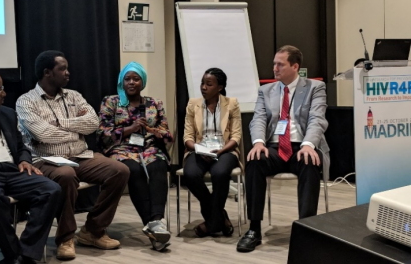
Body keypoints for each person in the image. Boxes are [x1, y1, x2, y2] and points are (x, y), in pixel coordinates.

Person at [16, 50, 130, 260]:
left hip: (81, 155)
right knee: (66, 175)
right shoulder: (26, 101)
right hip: (45, 159)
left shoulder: (74, 95)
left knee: (119, 170)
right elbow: (42, 134)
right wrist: (75, 129)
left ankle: (93, 230)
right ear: (47, 72)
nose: (68, 73)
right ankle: (66, 238)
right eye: (63, 69)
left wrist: (59, 124)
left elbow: (93, 123)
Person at [0, 69, 61, 264]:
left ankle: (27, 253)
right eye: (0, 89)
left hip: (13, 170)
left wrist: (24, 160)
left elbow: (21, 145)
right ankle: (13, 255)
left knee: (51, 189)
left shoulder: (7, 113)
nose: (4, 93)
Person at [236, 45, 329, 252]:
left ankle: (307, 230)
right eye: (274, 64)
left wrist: (308, 145)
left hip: (302, 145)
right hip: (275, 146)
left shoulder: (315, 88)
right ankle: (254, 230)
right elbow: (258, 119)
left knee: (309, 160)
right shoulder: (265, 90)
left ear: (295, 66)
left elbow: (317, 119)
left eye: (280, 64)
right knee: (254, 160)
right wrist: (259, 142)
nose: (275, 68)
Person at [97, 61, 173, 251]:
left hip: (148, 147)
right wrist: (129, 129)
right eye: (127, 79)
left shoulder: (154, 103)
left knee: (159, 165)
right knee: (133, 170)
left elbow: (166, 133)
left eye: (136, 79)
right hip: (121, 149)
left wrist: (154, 131)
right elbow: (102, 133)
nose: (131, 82)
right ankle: (155, 227)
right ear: (122, 82)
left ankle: (155, 221)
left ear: (142, 82)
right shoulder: (111, 102)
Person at [182, 68, 242, 237]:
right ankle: (219, 217)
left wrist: (220, 150)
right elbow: (187, 136)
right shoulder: (193, 104)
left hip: (225, 150)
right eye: (202, 83)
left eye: (209, 84)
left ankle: (212, 222)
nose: (204, 87)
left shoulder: (231, 104)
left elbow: (236, 136)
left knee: (220, 173)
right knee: (191, 174)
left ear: (220, 87)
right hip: (200, 150)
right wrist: (199, 150)